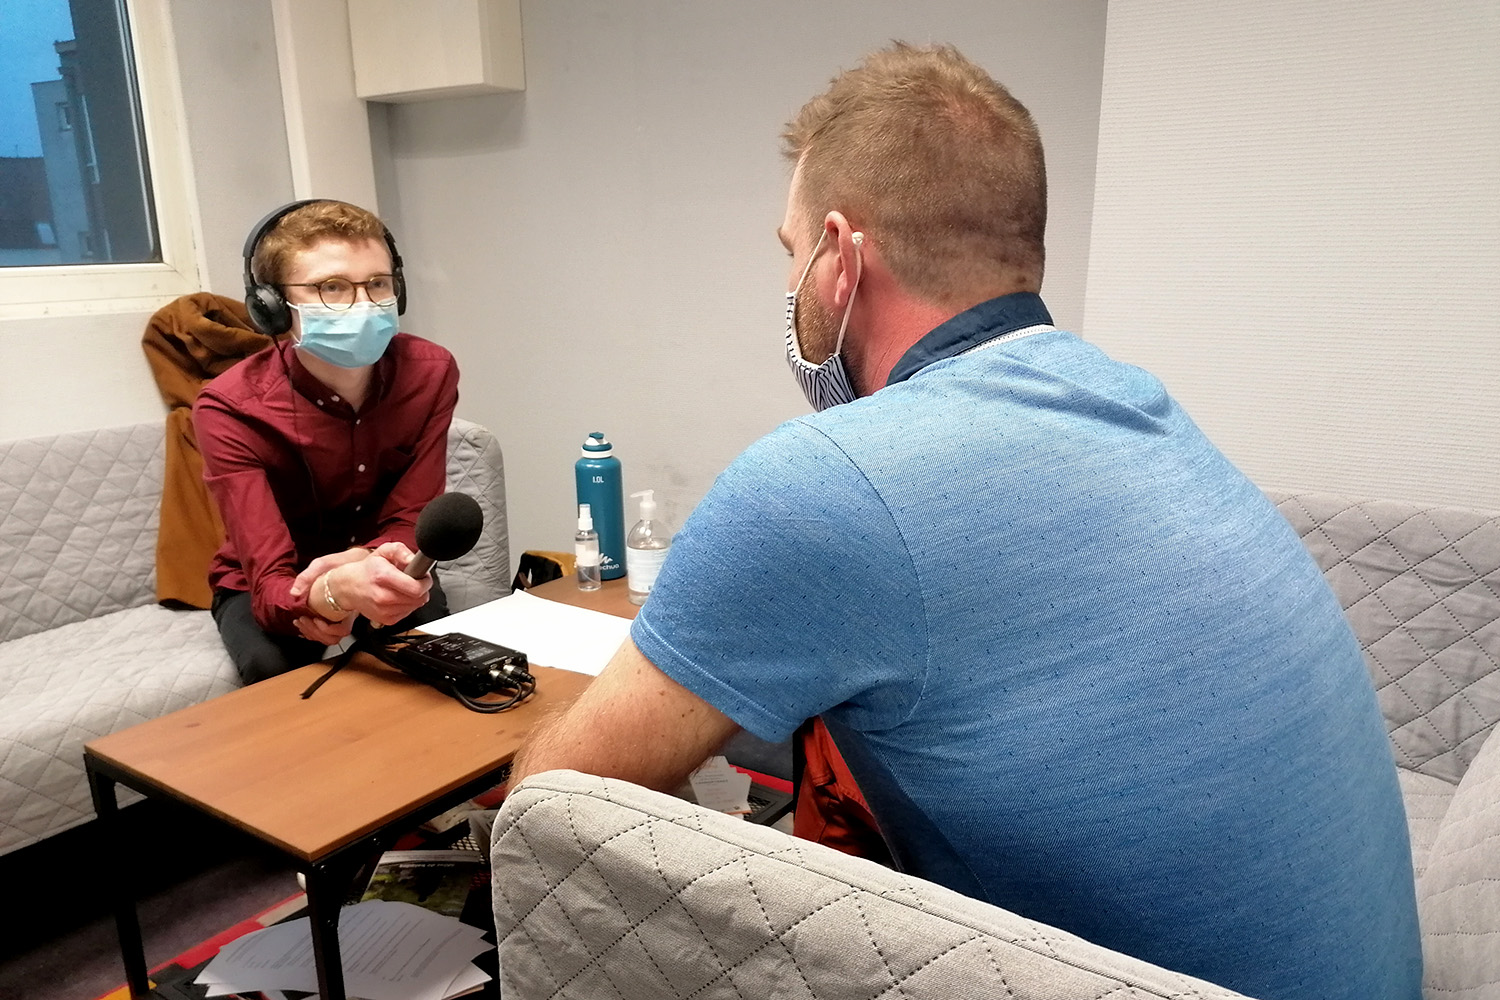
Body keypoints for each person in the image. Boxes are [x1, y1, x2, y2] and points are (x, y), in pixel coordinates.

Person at [510, 43, 1421, 1000]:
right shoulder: (1135, 401)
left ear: (838, 256)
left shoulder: (828, 480)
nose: (789, 292)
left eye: (790, 258)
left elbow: (549, 816)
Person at [194, 199, 459, 685]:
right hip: (270, 581)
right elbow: (271, 586)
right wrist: (331, 591)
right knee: (273, 670)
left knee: (438, 658)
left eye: (378, 284)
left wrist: (368, 567)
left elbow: (410, 519)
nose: (364, 303)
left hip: (386, 562)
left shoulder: (432, 373)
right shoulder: (228, 407)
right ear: (272, 307)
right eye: (331, 287)